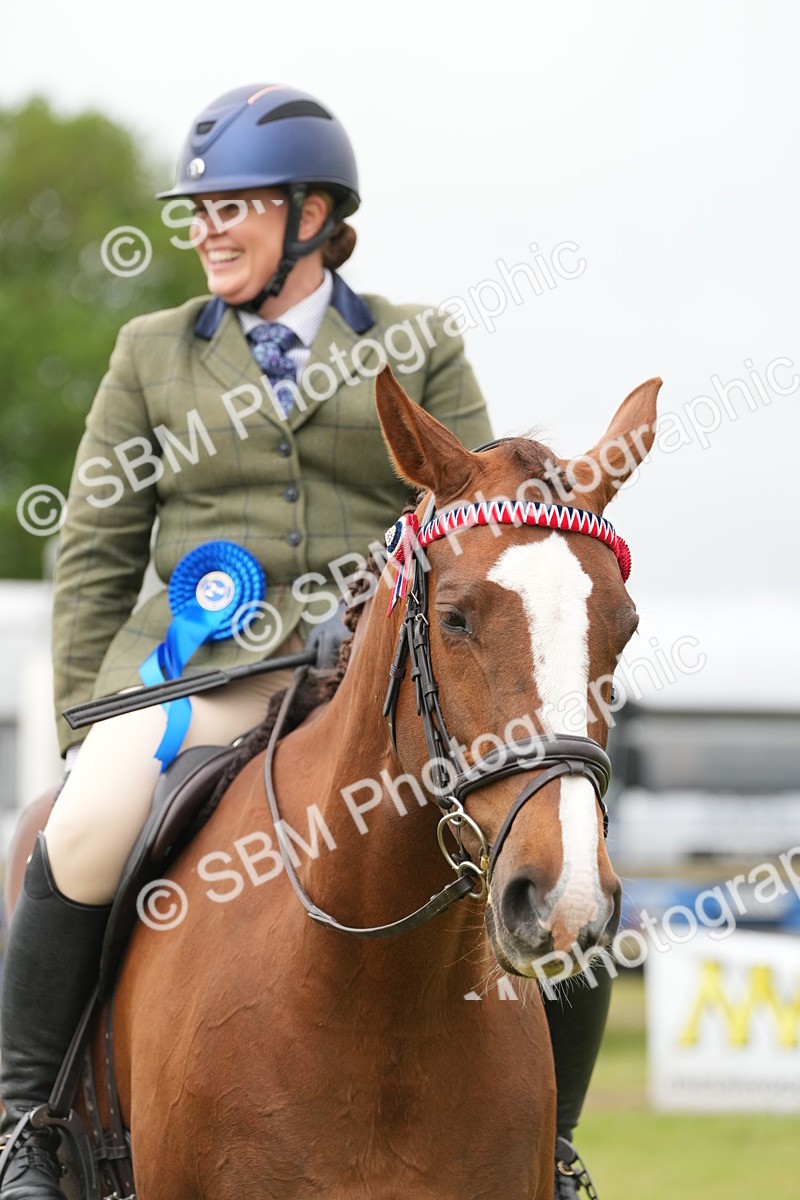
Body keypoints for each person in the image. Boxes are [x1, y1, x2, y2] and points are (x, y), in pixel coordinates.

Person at [0, 83, 610, 1200]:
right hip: (208, 672)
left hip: (370, 680)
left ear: (314, 214)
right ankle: (25, 1124)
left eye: (233, 204)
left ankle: (553, 1145)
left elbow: (479, 511)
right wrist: (95, 711)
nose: (207, 229)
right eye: (198, 210)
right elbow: (92, 547)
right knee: (81, 828)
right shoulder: (151, 352)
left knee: (550, 839)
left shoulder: (414, 340)